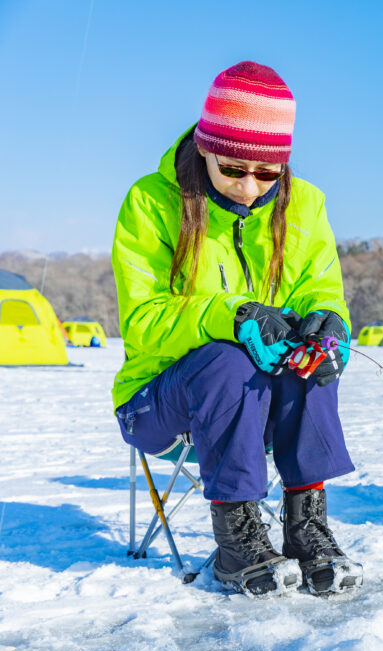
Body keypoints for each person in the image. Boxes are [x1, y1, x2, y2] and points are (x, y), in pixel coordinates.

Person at [112, 61, 360, 595]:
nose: (249, 187)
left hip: (262, 408)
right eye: (233, 169)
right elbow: (142, 320)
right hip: (156, 405)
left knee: (309, 359)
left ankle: (307, 528)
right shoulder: (150, 204)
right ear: (205, 148)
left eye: (268, 174)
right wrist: (233, 314)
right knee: (227, 360)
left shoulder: (306, 204)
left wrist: (329, 324)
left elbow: (320, 288)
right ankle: (238, 538)